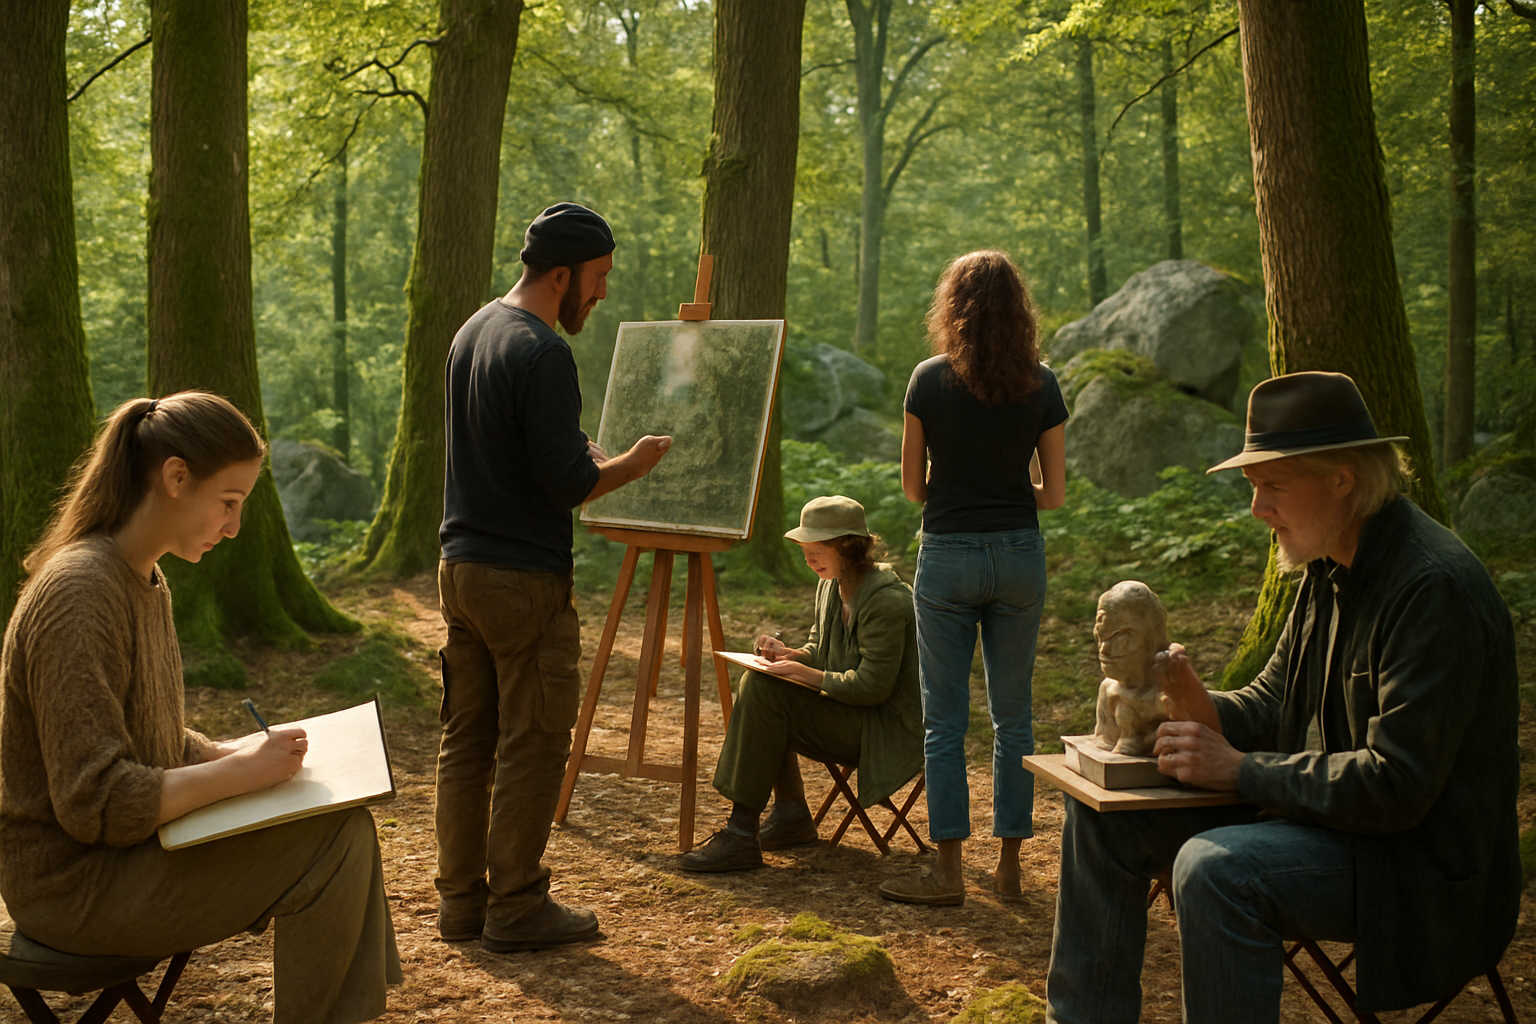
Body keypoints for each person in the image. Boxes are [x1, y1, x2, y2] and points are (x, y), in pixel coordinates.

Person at [1044, 371, 1520, 1024]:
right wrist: (1188, 703)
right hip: (1334, 826)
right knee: (1103, 819)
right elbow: (1269, 708)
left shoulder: (1431, 590)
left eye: (1272, 486)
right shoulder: (1326, 568)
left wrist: (1239, 769)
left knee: (1216, 871)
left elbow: (1397, 786)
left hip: (1417, 869)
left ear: (1342, 479)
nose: (1256, 508)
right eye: (1253, 488)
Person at [0, 392, 401, 1024]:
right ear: (176, 477)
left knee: (343, 824)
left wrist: (227, 752)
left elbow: (146, 738)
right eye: (229, 503)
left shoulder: (143, 579)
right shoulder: (80, 592)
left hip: (126, 858)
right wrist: (242, 774)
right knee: (335, 842)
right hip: (74, 889)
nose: (235, 527)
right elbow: (94, 800)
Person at [435, 202, 672, 953]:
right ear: (562, 274)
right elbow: (566, 484)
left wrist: (580, 451)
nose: (601, 295)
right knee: (533, 742)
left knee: (466, 740)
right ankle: (516, 908)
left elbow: (522, 450)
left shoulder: (474, 330)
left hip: (459, 570)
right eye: (597, 279)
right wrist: (629, 465)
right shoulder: (542, 352)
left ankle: (461, 904)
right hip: (522, 582)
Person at [884, 250, 1067, 906]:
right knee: (1014, 716)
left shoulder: (927, 381)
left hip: (950, 553)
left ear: (952, 308)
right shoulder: (1042, 384)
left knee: (945, 720)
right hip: (1019, 554)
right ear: (1020, 312)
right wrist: (1006, 482)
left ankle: (950, 871)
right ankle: (1012, 868)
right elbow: (1053, 496)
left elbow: (911, 489)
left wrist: (957, 483)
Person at [678, 495, 923, 872]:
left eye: (815, 551)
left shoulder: (887, 601)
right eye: (804, 552)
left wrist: (802, 674)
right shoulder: (831, 585)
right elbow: (819, 648)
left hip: (882, 729)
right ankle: (789, 814)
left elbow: (874, 686)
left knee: (767, 694)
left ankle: (743, 832)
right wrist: (790, 656)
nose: (808, 561)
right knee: (761, 683)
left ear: (847, 546)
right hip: (849, 711)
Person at [1090, 581, 1171, 757]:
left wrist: (1142, 742)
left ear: (1151, 639)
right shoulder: (1108, 690)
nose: (1104, 649)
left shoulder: (1169, 691)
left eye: (1121, 638)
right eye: (1100, 636)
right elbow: (1105, 741)